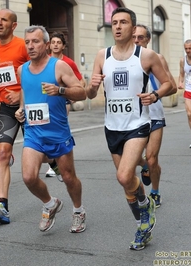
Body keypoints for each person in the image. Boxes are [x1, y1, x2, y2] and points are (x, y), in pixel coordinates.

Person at [86, 7, 173, 250]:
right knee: (127, 183)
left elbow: (169, 84)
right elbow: (90, 93)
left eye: (123, 22)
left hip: (138, 124)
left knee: (124, 175)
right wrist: (92, 87)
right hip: (112, 127)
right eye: (114, 22)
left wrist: (154, 95)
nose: (117, 26)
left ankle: (146, 207)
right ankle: (142, 225)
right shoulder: (102, 56)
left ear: (133, 29)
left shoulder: (146, 56)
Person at [0, 8, 60, 224]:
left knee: (41, 150)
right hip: (6, 108)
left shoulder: (23, 46)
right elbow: (0, 78)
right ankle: (2, 206)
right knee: (4, 153)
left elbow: (40, 67)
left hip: (29, 106)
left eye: (4, 20)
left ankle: (53, 161)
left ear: (13, 25)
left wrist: (22, 94)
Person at [15, 25, 87, 233]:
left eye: (35, 41)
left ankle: (78, 210)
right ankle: (50, 203)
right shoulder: (22, 69)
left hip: (58, 133)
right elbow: (25, 90)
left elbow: (81, 93)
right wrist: (21, 109)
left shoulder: (59, 67)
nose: (30, 46)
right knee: (29, 177)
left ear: (46, 44)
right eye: (27, 42)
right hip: (33, 133)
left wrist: (60, 90)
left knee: (68, 177)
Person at [132, 24, 177, 208]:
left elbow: (173, 86)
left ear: (148, 40)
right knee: (134, 158)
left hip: (155, 115)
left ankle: (155, 192)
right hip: (133, 117)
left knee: (152, 158)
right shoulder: (124, 59)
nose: (136, 41)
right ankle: (144, 167)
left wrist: (155, 95)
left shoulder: (157, 58)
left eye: (140, 37)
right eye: (134, 37)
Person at [44, 31, 86, 180]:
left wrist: (71, 94)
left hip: (63, 98)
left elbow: (81, 82)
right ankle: (54, 162)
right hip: (47, 100)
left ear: (63, 46)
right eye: (53, 42)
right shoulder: (45, 61)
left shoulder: (68, 63)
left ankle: (58, 161)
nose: (55, 45)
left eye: (58, 43)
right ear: (49, 45)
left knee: (59, 125)